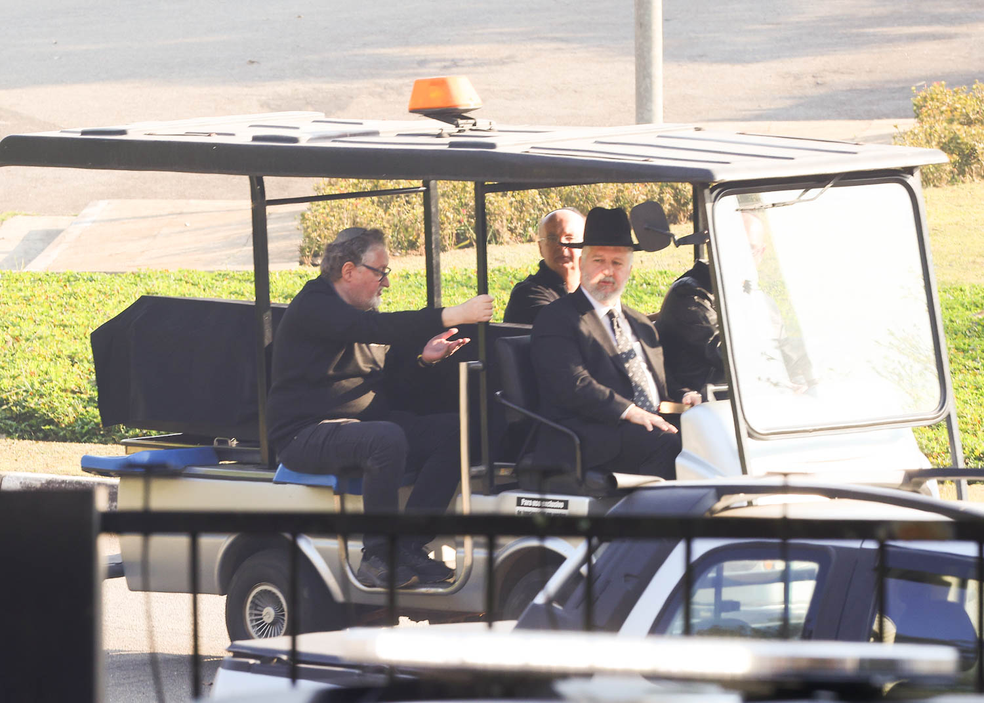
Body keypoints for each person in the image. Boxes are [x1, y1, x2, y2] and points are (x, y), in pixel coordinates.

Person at [266, 227, 494, 588]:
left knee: (458, 430)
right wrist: (455, 313)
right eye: (381, 272)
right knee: (384, 438)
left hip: (362, 426)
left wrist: (424, 360)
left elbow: (389, 387)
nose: (385, 283)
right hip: (304, 433)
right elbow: (375, 327)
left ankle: (408, 545)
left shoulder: (359, 312)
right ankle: (375, 555)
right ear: (349, 271)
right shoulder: (315, 304)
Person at [529, 207, 700, 489]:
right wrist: (630, 411)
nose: (608, 272)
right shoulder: (558, 318)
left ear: (630, 270)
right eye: (599, 261)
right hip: (586, 435)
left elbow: (662, 381)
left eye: (618, 263)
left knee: (713, 435)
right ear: (582, 263)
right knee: (667, 443)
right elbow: (573, 385)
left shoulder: (640, 323)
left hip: (646, 424)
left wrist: (685, 395)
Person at [503, 208, 585, 324]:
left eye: (569, 238)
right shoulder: (528, 294)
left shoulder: (593, 287)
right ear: (541, 247)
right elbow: (567, 328)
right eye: (552, 239)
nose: (561, 245)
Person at [657, 258, 724, 398]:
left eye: (754, 250)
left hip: (730, 393)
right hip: (696, 398)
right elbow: (721, 352)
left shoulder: (737, 288)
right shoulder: (689, 293)